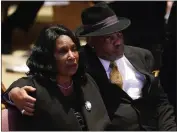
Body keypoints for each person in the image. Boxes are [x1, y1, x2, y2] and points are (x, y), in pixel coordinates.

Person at [3, 2, 176, 130]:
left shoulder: (141, 56)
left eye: (119, 35)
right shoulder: (80, 62)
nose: (117, 42)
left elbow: (161, 101)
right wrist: (13, 93)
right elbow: (36, 77)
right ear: (92, 42)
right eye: (109, 38)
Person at [2, 24, 111, 131]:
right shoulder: (37, 87)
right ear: (47, 56)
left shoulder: (86, 80)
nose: (72, 56)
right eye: (63, 51)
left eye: (74, 49)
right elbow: (14, 90)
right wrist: (13, 94)